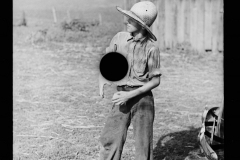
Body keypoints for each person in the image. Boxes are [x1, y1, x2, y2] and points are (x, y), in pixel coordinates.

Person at [98, 1, 161, 160]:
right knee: (110, 138)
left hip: (143, 99)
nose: (126, 22)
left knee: (143, 144)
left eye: (131, 20)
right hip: (121, 97)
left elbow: (155, 81)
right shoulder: (119, 38)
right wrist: (102, 80)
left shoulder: (151, 48)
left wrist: (130, 95)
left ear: (142, 25)